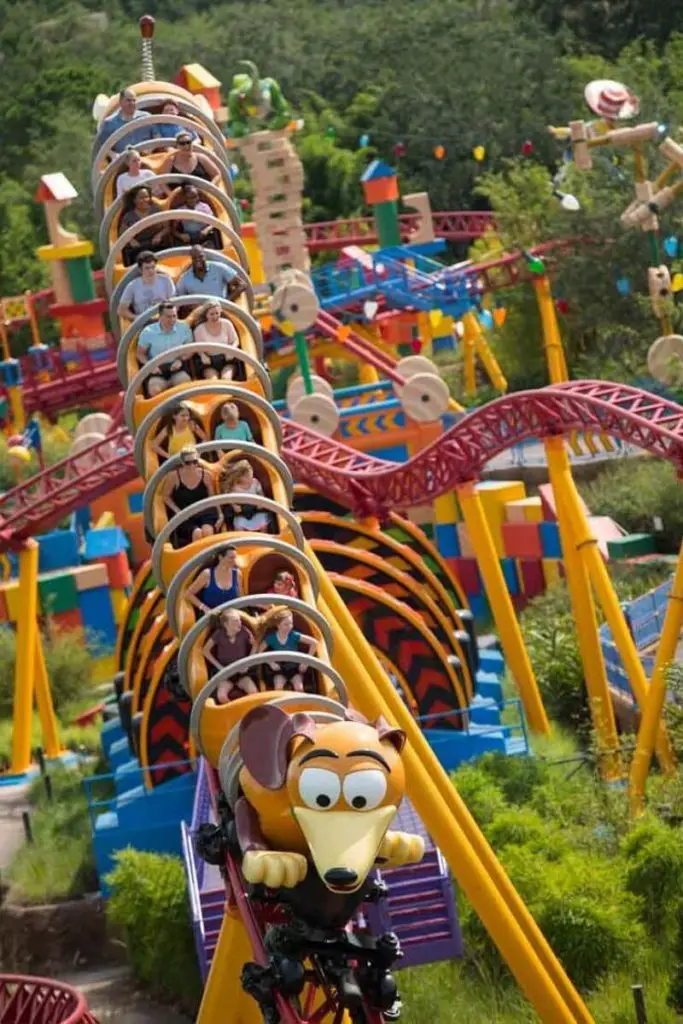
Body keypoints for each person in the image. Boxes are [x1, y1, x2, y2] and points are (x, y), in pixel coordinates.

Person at [159, 445, 219, 546]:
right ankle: (200, 560)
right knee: (197, 533)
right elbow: (165, 496)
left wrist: (220, 514)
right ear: (182, 463)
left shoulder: (206, 475)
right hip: (186, 514)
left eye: (194, 462)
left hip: (205, 512)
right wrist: (177, 511)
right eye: (188, 463)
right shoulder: (174, 476)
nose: (192, 466)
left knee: (208, 532)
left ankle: (211, 559)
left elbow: (213, 498)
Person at [255, 607, 318, 692]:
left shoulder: (293, 635)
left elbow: (314, 643)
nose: (289, 627)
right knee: (278, 687)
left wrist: (305, 662)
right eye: (286, 624)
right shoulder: (271, 638)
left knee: (299, 688)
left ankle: (299, 704)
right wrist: (270, 663)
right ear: (278, 625)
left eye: (291, 624)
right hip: (279, 667)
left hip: (294, 666)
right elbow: (259, 652)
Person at [137, 302, 192, 396]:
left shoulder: (183, 328)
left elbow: (190, 350)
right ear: (160, 316)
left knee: (185, 384)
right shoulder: (148, 332)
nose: (172, 320)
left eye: (174, 316)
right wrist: (150, 366)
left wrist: (181, 360)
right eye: (168, 317)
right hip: (157, 369)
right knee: (155, 390)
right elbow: (140, 354)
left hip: (177, 367)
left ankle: (184, 409)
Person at [203, 609, 258, 703]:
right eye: (235, 621)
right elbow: (205, 651)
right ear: (226, 624)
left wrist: (247, 664)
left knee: (254, 693)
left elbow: (255, 645)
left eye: (239, 620)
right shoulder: (219, 634)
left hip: (241, 671)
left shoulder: (244, 631)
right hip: (225, 672)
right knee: (221, 696)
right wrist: (219, 667)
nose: (239, 623)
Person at [96, 88, 157, 155]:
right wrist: (113, 155)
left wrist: (150, 150)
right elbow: (103, 146)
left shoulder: (146, 117)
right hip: (122, 161)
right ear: (121, 102)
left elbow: (157, 136)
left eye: (134, 100)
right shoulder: (109, 122)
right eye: (128, 100)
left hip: (146, 158)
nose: (132, 103)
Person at [118, 252, 176, 321]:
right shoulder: (132, 286)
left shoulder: (166, 280)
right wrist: (137, 318)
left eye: (153, 267)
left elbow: (175, 303)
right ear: (140, 269)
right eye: (147, 268)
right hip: (144, 323)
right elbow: (121, 310)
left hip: (165, 320)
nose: (151, 271)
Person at [192, 301, 241, 381]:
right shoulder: (199, 329)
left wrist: (232, 350)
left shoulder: (227, 324)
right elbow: (198, 348)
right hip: (209, 363)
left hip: (227, 359)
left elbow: (235, 340)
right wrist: (203, 356)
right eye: (211, 314)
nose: (215, 316)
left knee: (226, 378)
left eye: (217, 313)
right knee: (213, 380)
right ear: (206, 315)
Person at [120, 185, 168, 266]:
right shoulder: (128, 216)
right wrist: (131, 241)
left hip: (157, 245)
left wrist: (159, 235)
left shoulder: (156, 209)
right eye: (141, 198)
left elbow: (167, 228)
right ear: (134, 200)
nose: (145, 200)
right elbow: (122, 232)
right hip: (138, 248)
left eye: (147, 197)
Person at [187, 546, 243, 615]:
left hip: (232, 617)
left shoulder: (237, 573)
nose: (234, 561)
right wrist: (204, 608)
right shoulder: (207, 574)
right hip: (211, 616)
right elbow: (189, 594)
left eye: (235, 558)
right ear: (220, 557)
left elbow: (241, 596)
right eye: (231, 558)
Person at [176, 246, 244, 300]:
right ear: (191, 259)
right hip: (199, 312)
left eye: (200, 256)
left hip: (221, 309)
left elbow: (242, 284)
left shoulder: (218, 267)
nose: (198, 259)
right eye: (194, 257)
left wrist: (228, 300)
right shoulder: (185, 278)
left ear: (205, 256)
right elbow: (180, 300)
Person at [219, 459, 270, 532]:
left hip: (254, 509)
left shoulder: (255, 483)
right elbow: (228, 498)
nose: (250, 478)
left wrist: (261, 503)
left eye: (250, 475)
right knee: (238, 523)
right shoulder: (234, 487)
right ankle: (242, 539)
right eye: (246, 476)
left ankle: (264, 539)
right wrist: (234, 505)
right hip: (242, 512)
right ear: (239, 477)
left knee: (263, 521)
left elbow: (262, 495)